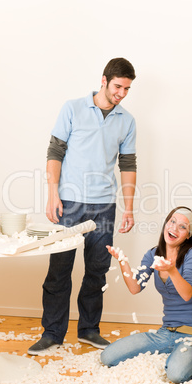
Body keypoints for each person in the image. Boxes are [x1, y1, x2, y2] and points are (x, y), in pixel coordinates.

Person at [28, 58, 137, 355]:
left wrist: (128, 208)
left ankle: (89, 330)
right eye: (118, 86)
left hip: (104, 205)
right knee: (59, 269)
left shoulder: (127, 121)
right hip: (70, 203)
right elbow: (55, 151)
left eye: (127, 88)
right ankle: (52, 333)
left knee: (97, 270)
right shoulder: (73, 108)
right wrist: (53, 194)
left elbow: (127, 164)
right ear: (104, 80)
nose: (122, 93)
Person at [100, 206, 192, 384]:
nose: (174, 228)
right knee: (107, 357)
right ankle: (172, 351)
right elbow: (135, 287)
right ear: (166, 223)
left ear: (188, 235)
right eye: (172, 221)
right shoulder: (153, 254)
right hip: (165, 333)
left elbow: (187, 293)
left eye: (182, 226)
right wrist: (123, 261)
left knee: (176, 375)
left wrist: (172, 270)